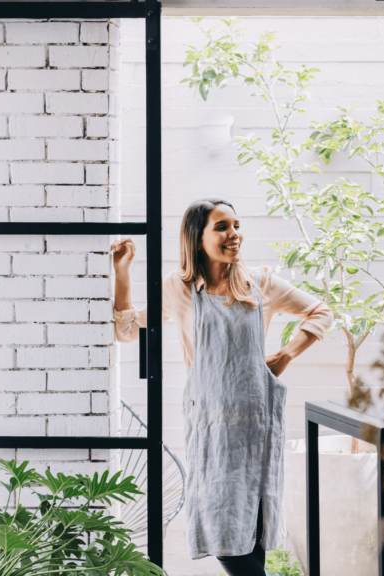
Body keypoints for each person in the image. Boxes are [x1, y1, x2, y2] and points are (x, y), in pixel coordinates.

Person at [112, 199, 333, 576]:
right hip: (211, 431)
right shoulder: (178, 288)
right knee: (227, 541)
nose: (234, 234)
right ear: (197, 238)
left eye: (236, 225)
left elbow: (321, 311)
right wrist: (122, 273)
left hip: (254, 429)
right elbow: (127, 329)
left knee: (253, 537)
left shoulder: (259, 283)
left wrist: (283, 357)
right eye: (222, 227)